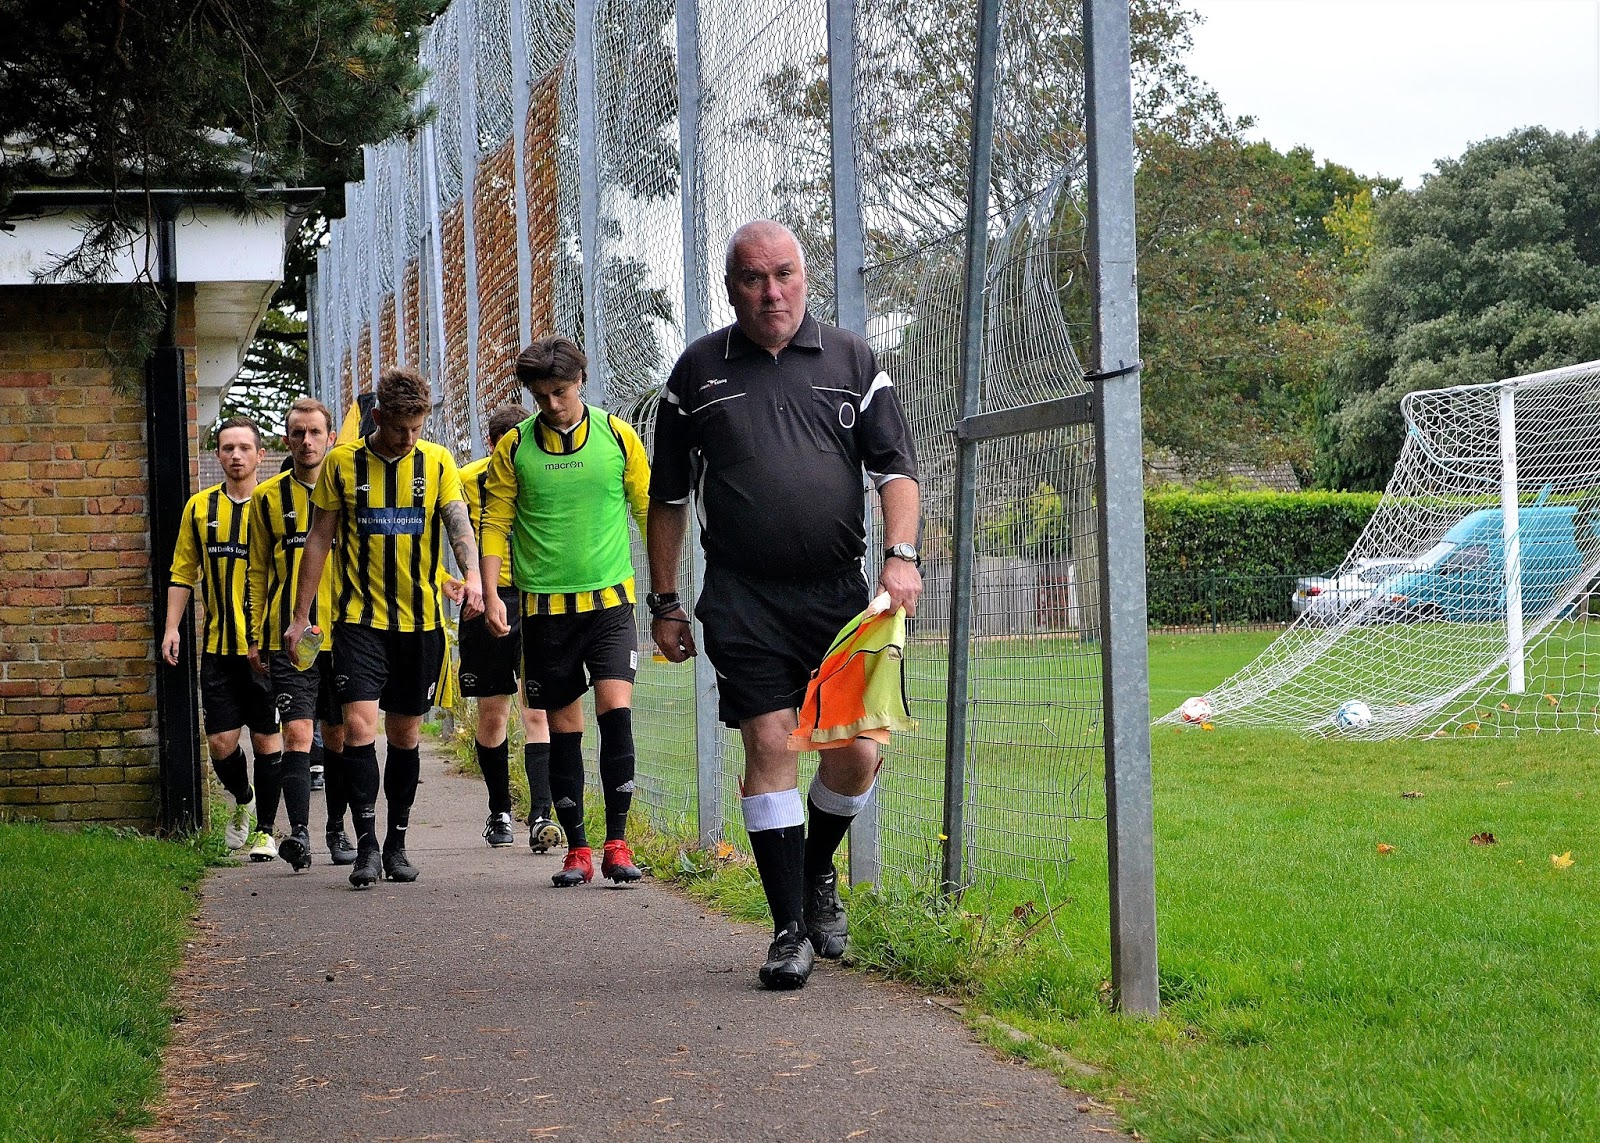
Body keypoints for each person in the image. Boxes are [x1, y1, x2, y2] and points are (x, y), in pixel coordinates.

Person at [647, 220, 922, 990]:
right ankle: (788, 929)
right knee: (769, 743)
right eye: (753, 278)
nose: (772, 292)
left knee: (858, 752)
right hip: (742, 598)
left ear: (806, 276)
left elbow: (896, 471)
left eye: (785, 274)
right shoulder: (696, 372)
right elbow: (667, 497)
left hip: (841, 597)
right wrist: (664, 600)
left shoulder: (851, 359)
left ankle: (814, 868)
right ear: (730, 286)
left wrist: (900, 556)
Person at [286, 367, 485, 888]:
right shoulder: (342, 465)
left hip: (420, 625)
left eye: (418, 427)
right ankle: (366, 846)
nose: (410, 438)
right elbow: (318, 541)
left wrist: (476, 581)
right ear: (378, 418)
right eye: (400, 428)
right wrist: (300, 616)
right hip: (358, 622)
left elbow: (459, 524)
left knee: (405, 735)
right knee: (357, 727)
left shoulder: (438, 462)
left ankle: (397, 843)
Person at [480, 336, 651, 888]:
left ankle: (617, 844)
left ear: (581, 381)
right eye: (540, 395)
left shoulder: (617, 436)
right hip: (546, 611)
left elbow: (647, 509)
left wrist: (664, 592)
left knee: (615, 710)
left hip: (609, 605)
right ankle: (577, 849)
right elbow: (495, 523)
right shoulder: (515, 447)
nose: (552, 405)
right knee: (564, 728)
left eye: (561, 391)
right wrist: (488, 594)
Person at [162, 416, 284, 860]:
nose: (236, 455)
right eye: (227, 448)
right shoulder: (200, 508)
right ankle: (245, 802)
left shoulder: (273, 505)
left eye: (244, 448)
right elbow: (182, 572)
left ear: (260, 455)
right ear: (218, 455)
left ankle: (267, 831)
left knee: (268, 739)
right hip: (218, 649)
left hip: (266, 650)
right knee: (221, 744)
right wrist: (172, 627)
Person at [247, 398, 358, 870]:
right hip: (290, 639)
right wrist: (255, 636)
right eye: (298, 433)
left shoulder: (352, 493)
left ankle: (336, 829)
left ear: (331, 438)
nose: (307, 441)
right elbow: (256, 571)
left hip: (348, 633)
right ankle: (299, 835)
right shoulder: (268, 498)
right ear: (287, 440)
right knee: (297, 731)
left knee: (339, 736)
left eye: (315, 432)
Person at [458, 403, 559, 851]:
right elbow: (443, 546)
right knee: (493, 712)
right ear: (496, 446)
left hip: (538, 598)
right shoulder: (466, 480)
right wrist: (456, 584)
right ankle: (499, 809)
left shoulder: (546, 472)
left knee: (538, 709)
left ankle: (541, 814)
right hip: (487, 602)